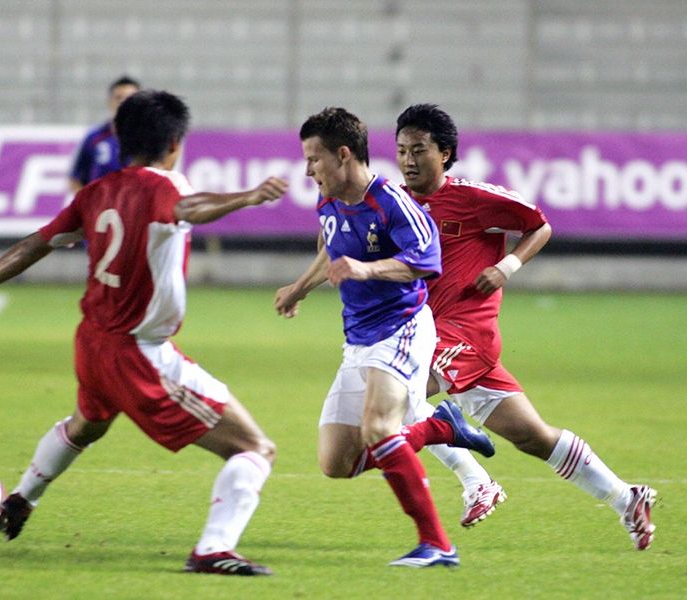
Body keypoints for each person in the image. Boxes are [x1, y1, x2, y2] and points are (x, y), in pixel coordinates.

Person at [0, 89, 290, 576]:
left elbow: (36, 243)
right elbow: (189, 207)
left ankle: (22, 498)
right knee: (254, 448)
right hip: (139, 353)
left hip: (92, 342)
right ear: (175, 144)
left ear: (118, 138)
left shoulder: (95, 193)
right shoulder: (166, 186)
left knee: (87, 425)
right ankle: (213, 549)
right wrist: (245, 197)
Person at [392, 103, 657, 551]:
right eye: (401, 150)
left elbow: (539, 225)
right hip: (431, 334)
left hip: (465, 334)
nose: (408, 160)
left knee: (398, 395)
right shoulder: (400, 203)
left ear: (445, 153)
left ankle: (476, 481)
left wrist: (506, 266)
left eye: (419, 149)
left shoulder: (474, 198)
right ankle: (625, 497)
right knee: (534, 437)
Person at [274, 107, 495, 568]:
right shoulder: (328, 198)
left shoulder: (392, 201)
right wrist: (300, 286)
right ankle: (440, 426)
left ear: (343, 154)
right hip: (357, 339)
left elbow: (426, 259)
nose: (308, 169)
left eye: (314, 159)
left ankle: (437, 544)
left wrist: (368, 268)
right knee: (337, 463)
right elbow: (330, 247)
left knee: (378, 429)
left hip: (403, 327)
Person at [69, 75, 141, 192]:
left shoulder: (147, 139)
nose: (124, 103)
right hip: (100, 207)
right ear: (110, 102)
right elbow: (76, 179)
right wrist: (87, 205)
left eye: (130, 98)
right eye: (119, 98)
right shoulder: (95, 138)